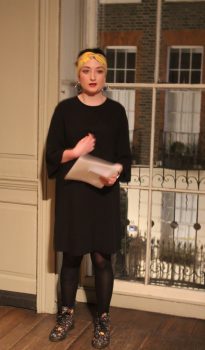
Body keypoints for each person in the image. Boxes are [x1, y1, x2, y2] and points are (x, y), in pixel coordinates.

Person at [46, 48, 131, 349]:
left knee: (101, 259)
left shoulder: (117, 111)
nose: (92, 76)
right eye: (86, 70)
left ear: (105, 75)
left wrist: (116, 172)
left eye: (98, 70)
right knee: (71, 258)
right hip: (73, 195)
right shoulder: (64, 110)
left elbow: (124, 157)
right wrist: (76, 151)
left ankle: (103, 320)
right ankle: (65, 315)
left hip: (104, 194)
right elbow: (52, 157)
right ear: (78, 74)